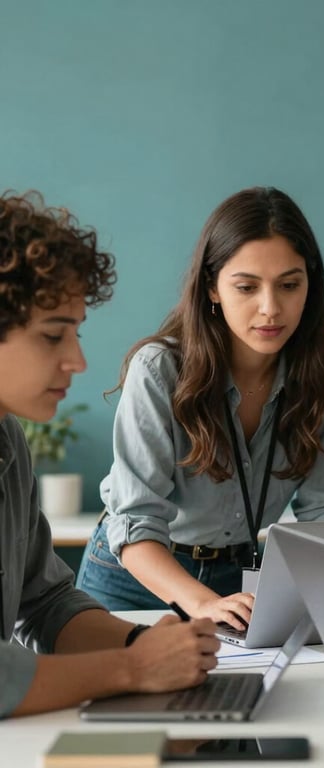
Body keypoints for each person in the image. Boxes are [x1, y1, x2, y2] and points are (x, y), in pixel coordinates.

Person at [77, 186, 324, 630]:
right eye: (246, 287)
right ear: (212, 287)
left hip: (239, 576)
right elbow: (135, 523)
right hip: (139, 576)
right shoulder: (159, 368)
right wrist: (202, 603)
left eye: (289, 285)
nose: (271, 308)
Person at [0, 191, 219, 718]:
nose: (77, 360)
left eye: (75, 332)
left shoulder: (9, 440)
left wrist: (145, 646)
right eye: (53, 336)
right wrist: (133, 669)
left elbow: (45, 603)